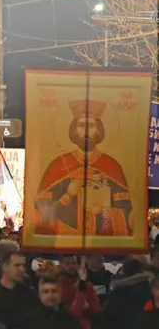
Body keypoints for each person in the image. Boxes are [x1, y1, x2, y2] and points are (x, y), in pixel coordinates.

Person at [32, 99, 131, 236]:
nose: (85, 131)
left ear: (98, 130)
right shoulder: (58, 165)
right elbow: (42, 213)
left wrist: (103, 211)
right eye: (81, 126)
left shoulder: (111, 166)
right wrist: (67, 196)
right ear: (74, 130)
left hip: (102, 241)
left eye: (91, 126)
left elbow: (126, 212)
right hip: (64, 239)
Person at [0, 250, 40, 329]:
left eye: (23, 266)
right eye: (17, 265)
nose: (22, 269)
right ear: (4, 267)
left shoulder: (29, 294)